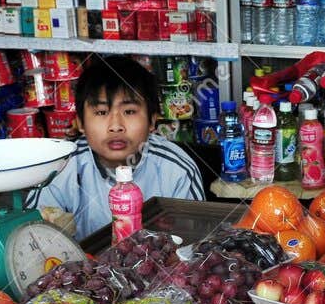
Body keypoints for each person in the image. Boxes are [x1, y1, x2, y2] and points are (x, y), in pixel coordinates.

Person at [28, 55, 204, 240]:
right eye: (101, 112)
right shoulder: (58, 170)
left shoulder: (176, 170)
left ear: (152, 120)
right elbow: (35, 239)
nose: (115, 126)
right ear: (80, 122)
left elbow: (194, 247)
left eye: (129, 111)